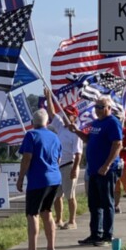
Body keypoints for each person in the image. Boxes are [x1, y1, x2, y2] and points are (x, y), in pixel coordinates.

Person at [69, 96, 122, 246]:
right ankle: (95, 233)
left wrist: (107, 165)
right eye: (96, 107)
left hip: (106, 170)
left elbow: (117, 144)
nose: (97, 110)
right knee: (94, 203)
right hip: (93, 170)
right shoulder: (96, 123)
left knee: (106, 203)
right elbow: (88, 140)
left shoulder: (112, 122)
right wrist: (76, 131)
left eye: (100, 107)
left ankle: (107, 235)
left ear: (108, 108)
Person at [15, 109, 62, 250]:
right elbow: (59, 158)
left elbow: (27, 157)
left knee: (32, 214)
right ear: (47, 122)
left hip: (38, 180)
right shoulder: (54, 136)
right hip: (54, 178)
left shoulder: (31, 135)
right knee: (47, 212)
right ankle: (50, 248)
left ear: (32, 123)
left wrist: (21, 177)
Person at [44, 89, 82, 229]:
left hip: (69, 165)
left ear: (74, 117)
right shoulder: (60, 126)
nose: (65, 116)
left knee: (70, 195)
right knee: (57, 195)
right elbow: (51, 113)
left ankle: (72, 221)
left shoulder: (75, 132)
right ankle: (59, 219)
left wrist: (74, 169)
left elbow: (78, 153)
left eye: (69, 115)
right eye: (65, 114)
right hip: (57, 165)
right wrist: (48, 97)